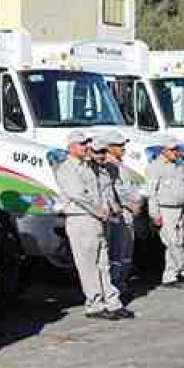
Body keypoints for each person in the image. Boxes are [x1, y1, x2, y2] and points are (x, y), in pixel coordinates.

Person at [57, 129, 132, 319]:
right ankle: (95, 304)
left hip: (96, 219)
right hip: (81, 218)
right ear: (71, 147)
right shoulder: (67, 168)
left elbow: (101, 190)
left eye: (86, 144)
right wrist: (100, 210)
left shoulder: (88, 166)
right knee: (88, 265)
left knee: (103, 263)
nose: (86, 147)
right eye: (82, 144)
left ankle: (112, 302)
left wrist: (105, 207)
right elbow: (79, 195)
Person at [147, 136, 184, 288]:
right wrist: (155, 214)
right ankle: (183, 271)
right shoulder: (155, 167)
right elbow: (152, 192)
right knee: (172, 243)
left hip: (179, 208)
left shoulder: (179, 165)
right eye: (172, 149)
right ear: (163, 150)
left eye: (177, 149)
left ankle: (171, 275)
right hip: (165, 209)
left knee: (178, 242)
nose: (176, 152)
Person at [103, 130, 141, 291]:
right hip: (120, 213)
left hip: (129, 213)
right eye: (119, 146)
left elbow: (129, 187)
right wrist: (130, 204)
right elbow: (115, 190)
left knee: (126, 252)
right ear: (110, 147)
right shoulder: (109, 166)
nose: (123, 148)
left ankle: (122, 282)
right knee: (117, 253)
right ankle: (115, 285)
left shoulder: (120, 164)